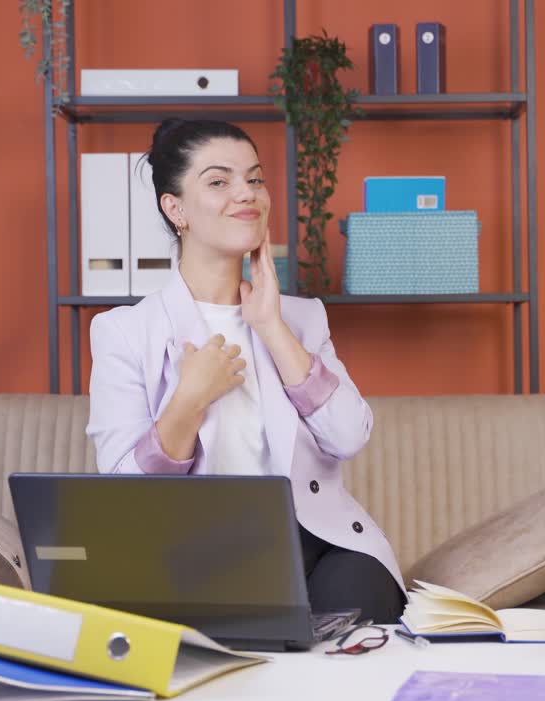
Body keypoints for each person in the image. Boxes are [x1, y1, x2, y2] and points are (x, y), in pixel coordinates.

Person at [85, 118, 406, 623]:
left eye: (254, 179)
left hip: (311, 547)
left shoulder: (302, 318)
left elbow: (349, 436)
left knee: (360, 597)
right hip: (193, 553)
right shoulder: (124, 332)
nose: (246, 194)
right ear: (176, 209)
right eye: (219, 181)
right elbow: (126, 496)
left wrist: (272, 328)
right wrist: (189, 400)